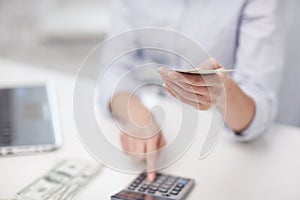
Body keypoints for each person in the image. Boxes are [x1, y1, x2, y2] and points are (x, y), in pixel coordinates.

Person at [100, 0, 285, 181]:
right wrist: (136, 114)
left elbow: (259, 108)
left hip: (230, 150)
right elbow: (115, 67)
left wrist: (224, 93)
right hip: (168, 132)